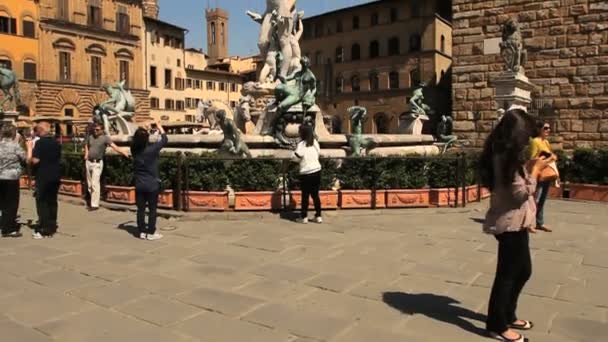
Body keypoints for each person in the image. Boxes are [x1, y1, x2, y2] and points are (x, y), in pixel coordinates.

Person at [479, 109, 549, 342]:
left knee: (523, 271)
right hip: (509, 223)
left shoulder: (505, 154)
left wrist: (529, 166)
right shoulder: (505, 157)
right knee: (507, 275)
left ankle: (507, 314)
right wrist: (536, 171)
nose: (530, 139)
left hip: (517, 222)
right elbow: (520, 193)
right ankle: (497, 325)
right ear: (518, 134)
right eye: (527, 134)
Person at [131, 119, 168, 241]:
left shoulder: (134, 150)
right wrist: (159, 126)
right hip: (152, 184)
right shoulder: (151, 150)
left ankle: (141, 231)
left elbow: (136, 138)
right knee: (152, 209)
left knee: (140, 209)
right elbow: (164, 139)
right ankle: (151, 232)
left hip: (139, 184)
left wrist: (143, 129)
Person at [27, 122, 61, 239]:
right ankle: (52, 226)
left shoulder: (40, 143)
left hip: (43, 176)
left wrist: (29, 150)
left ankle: (44, 229)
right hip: (55, 176)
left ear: (40, 130)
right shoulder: (56, 143)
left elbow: (35, 161)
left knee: (42, 202)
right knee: (52, 202)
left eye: (36, 130)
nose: (36, 132)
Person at [84, 123, 129, 211]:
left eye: (97, 130)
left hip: (97, 163)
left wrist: (123, 152)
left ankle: (94, 204)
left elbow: (114, 146)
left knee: (94, 184)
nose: (95, 131)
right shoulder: (91, 137)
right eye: (94, 129)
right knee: (89, 184)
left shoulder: (105, 138)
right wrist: (86, 154)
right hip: (88, 162)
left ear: (102, 130)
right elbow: (86, 145)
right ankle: (92, 199)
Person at [528, 121, 558, 232]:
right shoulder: (535, 141)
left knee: (542, 199)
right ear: (539, 129)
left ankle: (540, 223)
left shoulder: (546, 142)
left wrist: (552, 156)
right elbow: (533, 159)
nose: (548, 130)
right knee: (535, 199)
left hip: (546, 174)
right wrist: (548, 158)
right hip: (538, 174)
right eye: (546, 128)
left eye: (549, 128)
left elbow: (550, 154)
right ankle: (529, 223)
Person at [292, 124, 322, 224]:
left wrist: (293, 152)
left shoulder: (302, 144)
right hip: (317, 170)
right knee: (315, 195)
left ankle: (304, 216)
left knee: (305, 195)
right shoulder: (315, 143)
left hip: (306, 172)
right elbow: (318, 154)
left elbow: (297, 158)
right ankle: (318, 216)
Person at [0, 125, 26, 237]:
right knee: (11, 204)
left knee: (2, 202)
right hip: (12, 178)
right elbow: (25, 159)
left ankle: (3, 223)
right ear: (13, 134)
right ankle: (8, 229)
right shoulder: (15, 146)